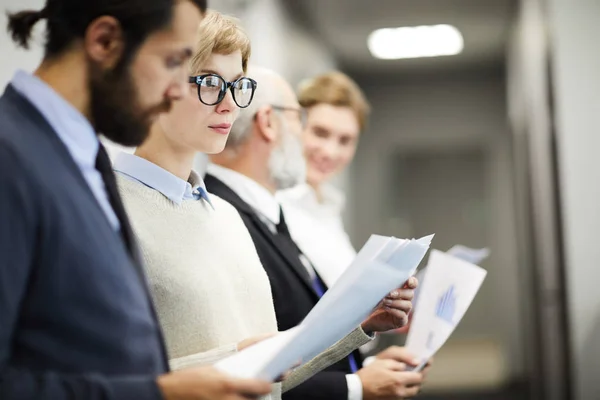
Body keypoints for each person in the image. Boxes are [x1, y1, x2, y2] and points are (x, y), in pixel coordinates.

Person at [114, 11, 416, 400]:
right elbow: (99, 383)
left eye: (237, 86)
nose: (228, 105)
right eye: (209, 82)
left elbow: (271, 380)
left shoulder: (224, 217)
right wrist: (236, 359)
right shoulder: (108, 213)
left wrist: (361, 325)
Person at [0, 1, 273, 400]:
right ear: (105, 41)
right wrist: (159, 392)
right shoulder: (13, 156)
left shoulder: (80, 161)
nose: (177, 90)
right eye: (171, 62)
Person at [205, 65, 425, 400]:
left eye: (345, 140)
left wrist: (367, 340)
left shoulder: (326, 208)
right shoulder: (265, 207)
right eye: (318, 132)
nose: (330, 151)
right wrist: (357, 383)